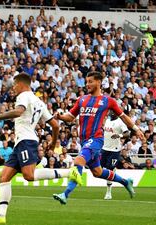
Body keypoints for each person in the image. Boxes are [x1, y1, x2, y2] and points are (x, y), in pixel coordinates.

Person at [0, 73, 78, 224]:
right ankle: (0, 215)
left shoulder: (23, 96)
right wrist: (53, 142)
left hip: (27, 141)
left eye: (14, 84)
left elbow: (18, 111)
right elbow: (56, 125)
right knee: (4, 177)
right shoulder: (39, 102)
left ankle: (69, 172)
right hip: (21, 143)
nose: (13, 87)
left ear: (22, 84)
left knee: (29, 175)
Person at [53, 71, 145, 205]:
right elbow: (71, 117)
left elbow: (124, 117)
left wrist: (136, 129)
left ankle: (65, 194)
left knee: (78, 161)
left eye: (90, 81)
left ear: (98, 82)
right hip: (84, 141)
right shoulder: (82, 99)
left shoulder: (108, 101)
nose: (87, 84)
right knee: (97, 172)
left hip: (96, 139)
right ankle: (126, 182)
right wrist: (61, 117)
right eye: (86, 81)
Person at [101, 111, 130, 200]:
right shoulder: (107, 121)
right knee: (99, 169)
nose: (112, 113)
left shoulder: (120, 122)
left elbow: (127, 133)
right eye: (111, 111)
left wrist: (119, 135)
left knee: (110, 170)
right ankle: (117, 173)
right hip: (104, 148)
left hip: (114, 150)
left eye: (114, 111)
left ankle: (108, 192)